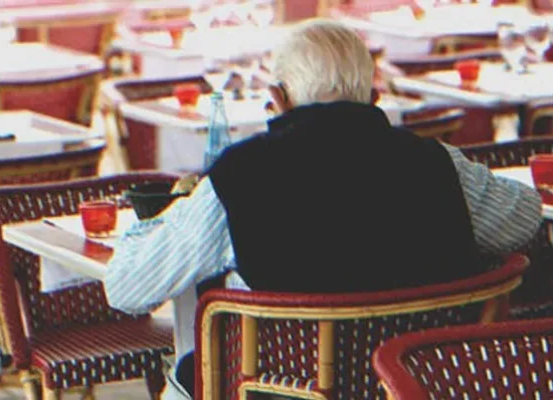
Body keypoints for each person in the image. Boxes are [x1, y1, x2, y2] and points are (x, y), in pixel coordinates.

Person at [103, 19, 542, 399]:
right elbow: (524, 218)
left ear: (278, 97)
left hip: (283, 391)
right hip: (422, 382)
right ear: (372, 97)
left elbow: (127, 288)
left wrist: (159, 218)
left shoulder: (240, 177)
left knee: (191, 370)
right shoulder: (435, 163)